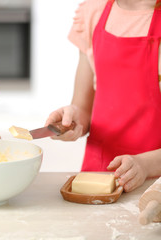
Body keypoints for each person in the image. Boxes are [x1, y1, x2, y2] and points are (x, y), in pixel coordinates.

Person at [46, 0, 161, 192]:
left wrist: (145, 165)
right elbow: (83, 109)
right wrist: (72, 120)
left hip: (153, 185)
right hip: (97, 176)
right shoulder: (93, 12)